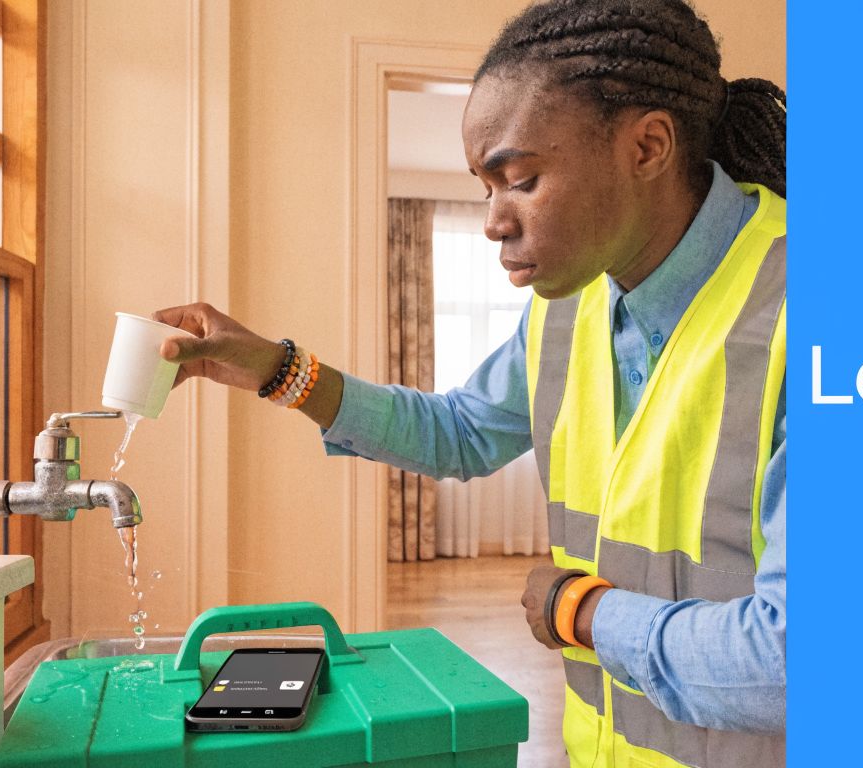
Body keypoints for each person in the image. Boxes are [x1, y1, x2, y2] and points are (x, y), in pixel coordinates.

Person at [153, 1, 785, 765]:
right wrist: (279, 371)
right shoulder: (570, 308)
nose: (494, 219)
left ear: (647, 145)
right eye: (486, 188)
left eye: (519, 179)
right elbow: (461, 430)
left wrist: (579, 612)